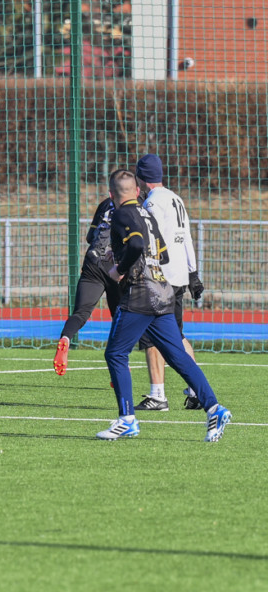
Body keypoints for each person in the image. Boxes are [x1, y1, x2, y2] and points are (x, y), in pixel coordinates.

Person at [97, 169, 230, 441]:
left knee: (115, 354)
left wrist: (118, 269)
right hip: (163, 290)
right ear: (137, 191)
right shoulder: (147, 214)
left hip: (140, 294)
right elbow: (163, 253)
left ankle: (127, 420)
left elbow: (135, 244)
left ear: (111, 195)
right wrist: (121, 252)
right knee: (178, 356)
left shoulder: (121, 213)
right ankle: (214, 408)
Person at [133, 154, 205, 411]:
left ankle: (158, 396)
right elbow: (185, 237)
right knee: (177, 333)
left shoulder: (152, 203)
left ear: (141, 178)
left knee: (151, 335)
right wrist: (193, 273)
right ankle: (196, 391)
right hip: (177, 276)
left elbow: (150, 241)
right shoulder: (176, 199)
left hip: (159, 278)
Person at [53, 196, 118, 375]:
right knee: (120, 318)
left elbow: (90, 236)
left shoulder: (105, 203)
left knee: (80, 313)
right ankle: (118, 370)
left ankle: (65, 337)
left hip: (92, 261)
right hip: (115, 264)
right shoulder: (138, 203)